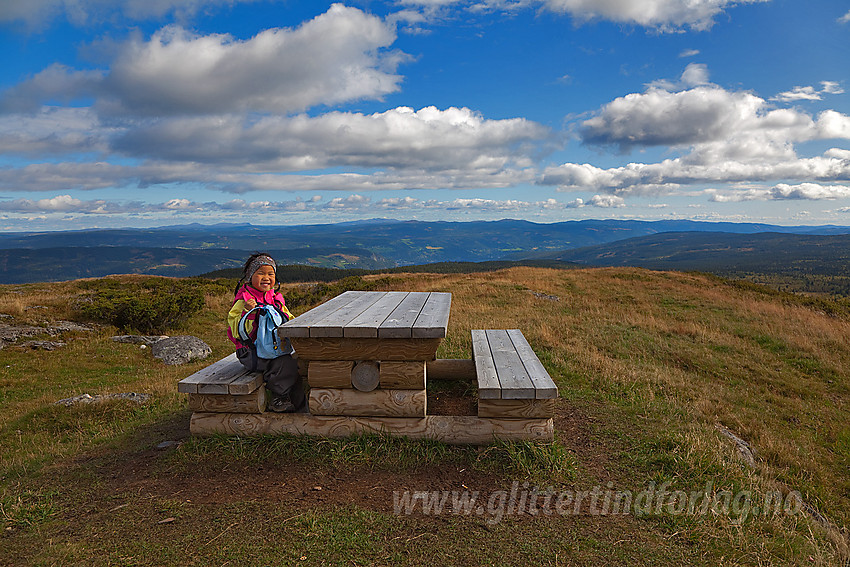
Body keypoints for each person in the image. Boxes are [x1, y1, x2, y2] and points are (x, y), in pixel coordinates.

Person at [227, 252, 305, 413]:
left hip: (274, 348)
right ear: (250, 277)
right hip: (250, 352)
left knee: (296, 361)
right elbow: (235, 331)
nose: (266, 277)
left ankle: (299, 402)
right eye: (260, 273)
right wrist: (248, 314)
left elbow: (288, 318)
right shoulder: (244, 301)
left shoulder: (275, 298)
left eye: (270, 273)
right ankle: (278, 398)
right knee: (284, 363)